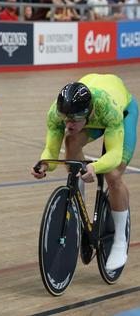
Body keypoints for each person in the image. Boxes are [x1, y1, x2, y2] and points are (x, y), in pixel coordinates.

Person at [31, 74, 138, 271]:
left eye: (73, 120)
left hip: (122, 114)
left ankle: (120, 240)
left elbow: (113, 155)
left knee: (113, 175)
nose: (67, 124)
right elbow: (51, 150)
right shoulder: (57, 112)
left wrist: (94, 167)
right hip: (93, 118)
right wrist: (45, 164)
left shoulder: (109, 109)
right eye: (65, 119)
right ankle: (78, 204)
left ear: (87, 113)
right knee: (71, 140)